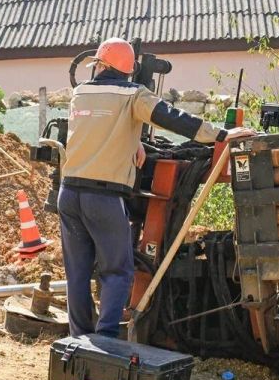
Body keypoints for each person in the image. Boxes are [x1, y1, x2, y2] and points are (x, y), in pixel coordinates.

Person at [58, 37, 255, 339]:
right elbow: (173, 119)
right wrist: (221, 134)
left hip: (69, 194)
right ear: (129, 70)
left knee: (78, 274)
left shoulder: (80, 93)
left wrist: (132, 140)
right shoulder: (133, 95)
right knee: (117, 271)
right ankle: (106, 340)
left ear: (100, 65)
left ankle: (79, 340)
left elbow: (95, 127)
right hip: (104, 198)